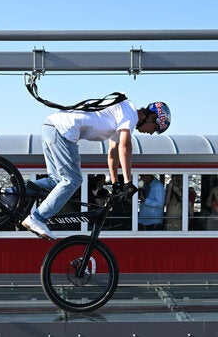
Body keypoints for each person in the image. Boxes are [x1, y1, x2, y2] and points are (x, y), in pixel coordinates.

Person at [22, 100, 171, 240]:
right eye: (155, 128)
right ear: (152, 117)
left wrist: (115, 183)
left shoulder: (121, 117)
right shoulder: (130, 113)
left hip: (51, 126)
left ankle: (15, 191)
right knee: (73, 180)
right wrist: (128, 182)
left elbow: (112, 154)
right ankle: (38, 218)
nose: (152, 133)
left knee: (56, 181)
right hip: (64, 130)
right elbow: (125, 147)